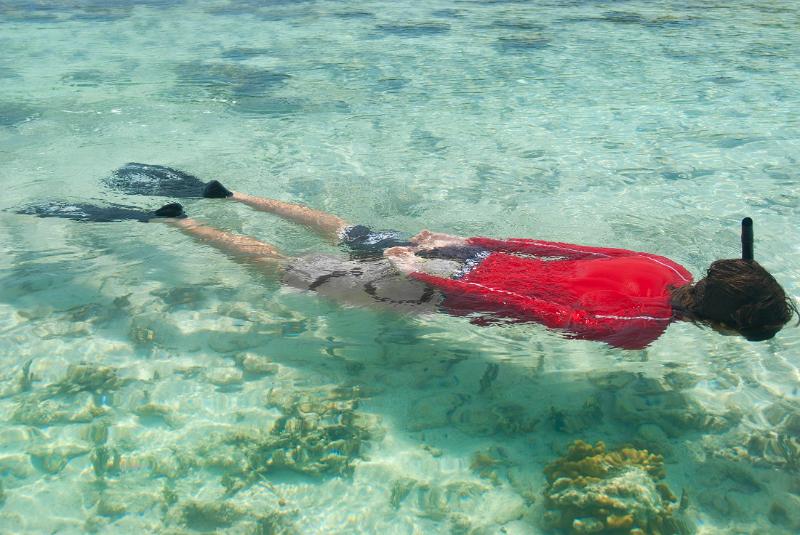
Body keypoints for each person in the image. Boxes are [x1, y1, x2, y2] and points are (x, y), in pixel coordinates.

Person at [21, 163, 796, 349]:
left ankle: (230, 192)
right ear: (724, 328)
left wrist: (462, 240)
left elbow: (552, 250)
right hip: (433, 288)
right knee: (281, 268)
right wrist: (428, 274)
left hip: (457, 255)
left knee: (340, 226)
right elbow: (542, 309)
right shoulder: (641, 327)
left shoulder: (663, 264)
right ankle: (173, 222)